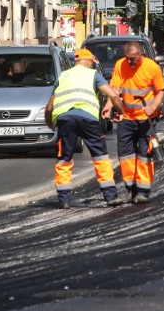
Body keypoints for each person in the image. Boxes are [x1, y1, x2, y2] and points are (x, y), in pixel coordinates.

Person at [44, 49, 126, 209]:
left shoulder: (63, 77)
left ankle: (64, 200)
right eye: (93, 64)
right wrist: (121, 112)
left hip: (65, 120)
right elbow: (114, 95)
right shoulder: (93, 75)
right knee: (100, 156)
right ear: (89, 62)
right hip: (88, 119)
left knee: (64, 158)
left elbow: (49, 107)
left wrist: (50, 124)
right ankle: (110, 197)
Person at [103, 40, 164, 204]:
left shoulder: (152, 67)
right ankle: (131, 188)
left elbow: (160, 91)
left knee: (145, 154)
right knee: (126, 155)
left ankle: (143, 191)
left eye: (133, 59)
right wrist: (109, 107)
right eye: (128, 58)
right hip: (126, 117)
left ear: (141, 55)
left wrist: (153, 107)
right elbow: (115, 90)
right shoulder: (120, 65)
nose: (130, 62)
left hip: (146, 119)